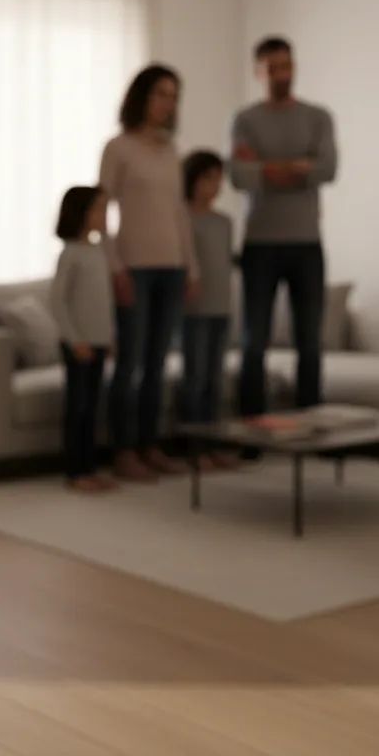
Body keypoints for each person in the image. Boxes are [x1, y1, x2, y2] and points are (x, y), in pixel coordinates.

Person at [100, 65, 200, 482]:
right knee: (131, 364)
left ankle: (149, 445)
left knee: (158, 364)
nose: (168, 102)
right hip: (134, 269)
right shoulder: (118, 148)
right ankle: (123, 451)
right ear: (142, 96)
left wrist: (191, 267)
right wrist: (115, 267)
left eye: (174, 95)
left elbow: (179, 212)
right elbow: (100, 211)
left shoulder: (171, 151)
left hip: (172, 269)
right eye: (161, 93)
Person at [230, 37, 338, 417]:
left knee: (310, 341)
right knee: (253, 341)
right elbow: (241, 177)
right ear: (259, 72)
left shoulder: (318, 117)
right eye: (274, 68)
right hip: (260, 243)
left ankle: (312, 424)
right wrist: (297, 167)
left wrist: (267, 167)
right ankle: (251, 429)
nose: (282, 75)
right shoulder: (246, 120)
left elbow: (328, 169)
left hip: (307, 243)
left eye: (287, 66)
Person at [50, 186, 117, 493]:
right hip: (78, 345)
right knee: (78, 407)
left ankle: (90, 468)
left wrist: (110, 336)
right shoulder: (71, 254)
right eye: (98, 209)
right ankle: (75, 472)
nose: (104, 215)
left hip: (99, 342)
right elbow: (59, 301)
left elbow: (104, 302)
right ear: (80, 213)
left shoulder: (99, 251)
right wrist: (75, 339)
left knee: (93, 407)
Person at [179, 150, 238, 468]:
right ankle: (194, 450)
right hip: (194, 312)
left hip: (221, 309)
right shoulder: (181, 219)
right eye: (208, 178)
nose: (215, 186)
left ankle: (215, 446)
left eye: (219, 179)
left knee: (215, 380)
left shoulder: (224, 222)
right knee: (196, 378)